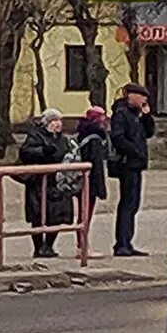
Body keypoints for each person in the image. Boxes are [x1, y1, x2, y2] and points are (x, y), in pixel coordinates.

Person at [18, 107, 79, 258]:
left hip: (57, 182)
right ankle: (38, 247)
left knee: (57, 215)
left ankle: (49, 246)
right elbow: (26, 152)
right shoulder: (36, 136)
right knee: (38, 216)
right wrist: (43, 150)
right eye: (53, 121)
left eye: (59, 121)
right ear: (46, 123)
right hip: (39, 182)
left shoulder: (64, 139)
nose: (57, 124)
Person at [109, 83, 153, 255]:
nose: (145, 99)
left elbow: (149, 133)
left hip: (136, 164)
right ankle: (122, 244)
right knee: (127, 204)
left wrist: (147, 117)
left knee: (134, 204)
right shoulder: (121, 113)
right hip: (126, 164)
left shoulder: (137, 114)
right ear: (131, 96)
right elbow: (118, 138)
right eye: (141, 96)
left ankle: (127, 242)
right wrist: (135, 151)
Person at [78, 104, 112, 224]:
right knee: (86, 211)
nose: (105, 119)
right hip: (90, 180)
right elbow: (96, 163)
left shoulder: (84, 132)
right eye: (102, 116)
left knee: (84, 210)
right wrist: (99, 187)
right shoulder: (95, 139)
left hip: (83, 178)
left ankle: (83, 237)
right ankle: (83, 239)